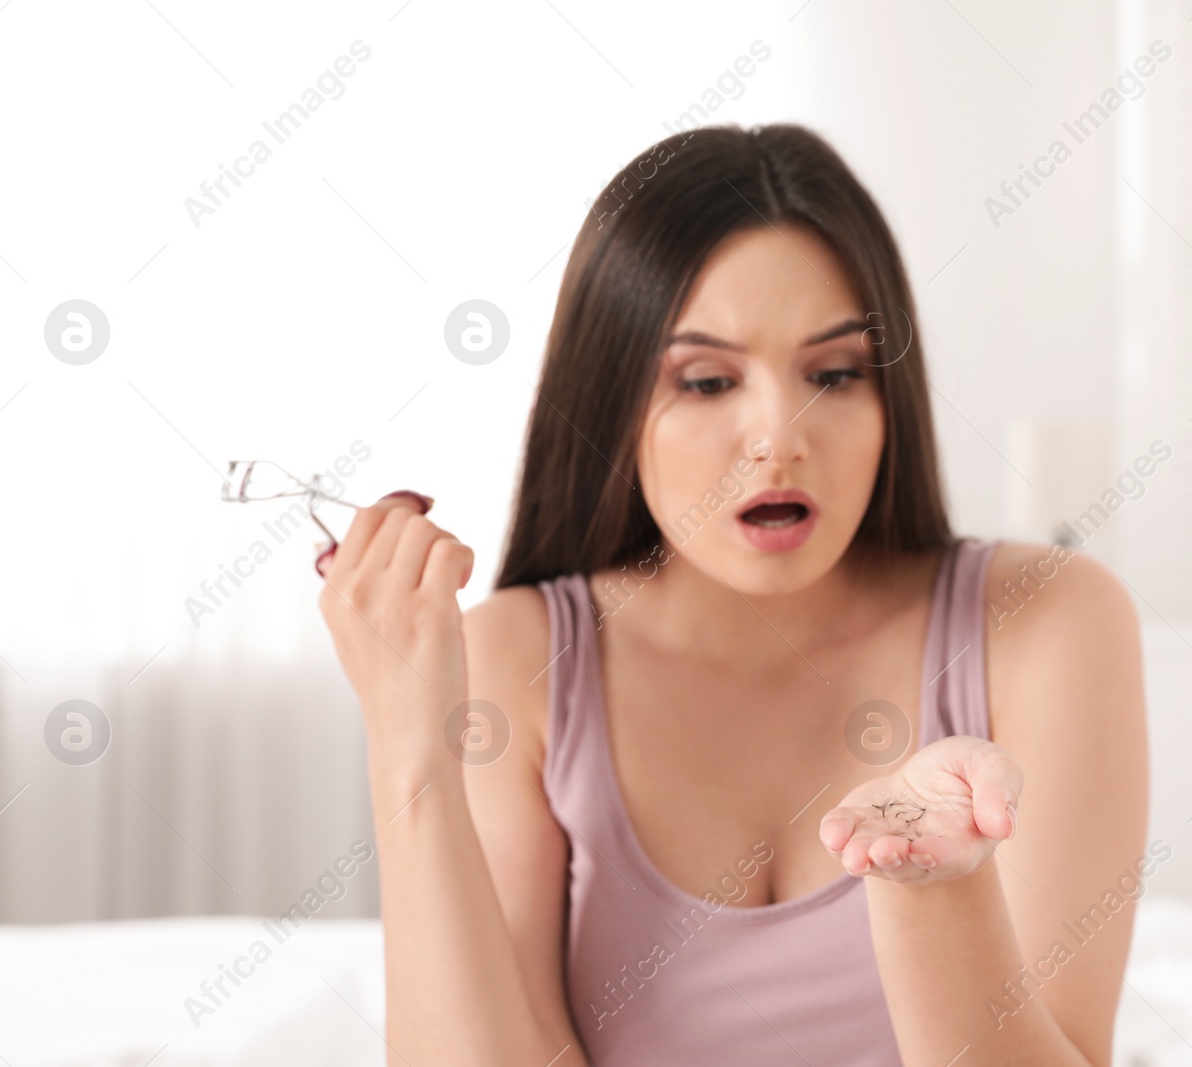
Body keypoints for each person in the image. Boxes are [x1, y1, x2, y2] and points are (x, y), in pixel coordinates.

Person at [316, 123, 1147, 1066]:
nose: (777, 438)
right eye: (707, 381)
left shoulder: (1045, 620)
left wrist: (932, 890)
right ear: (610, 405)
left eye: (833, 374)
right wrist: (406, 746)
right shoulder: (517, 657)